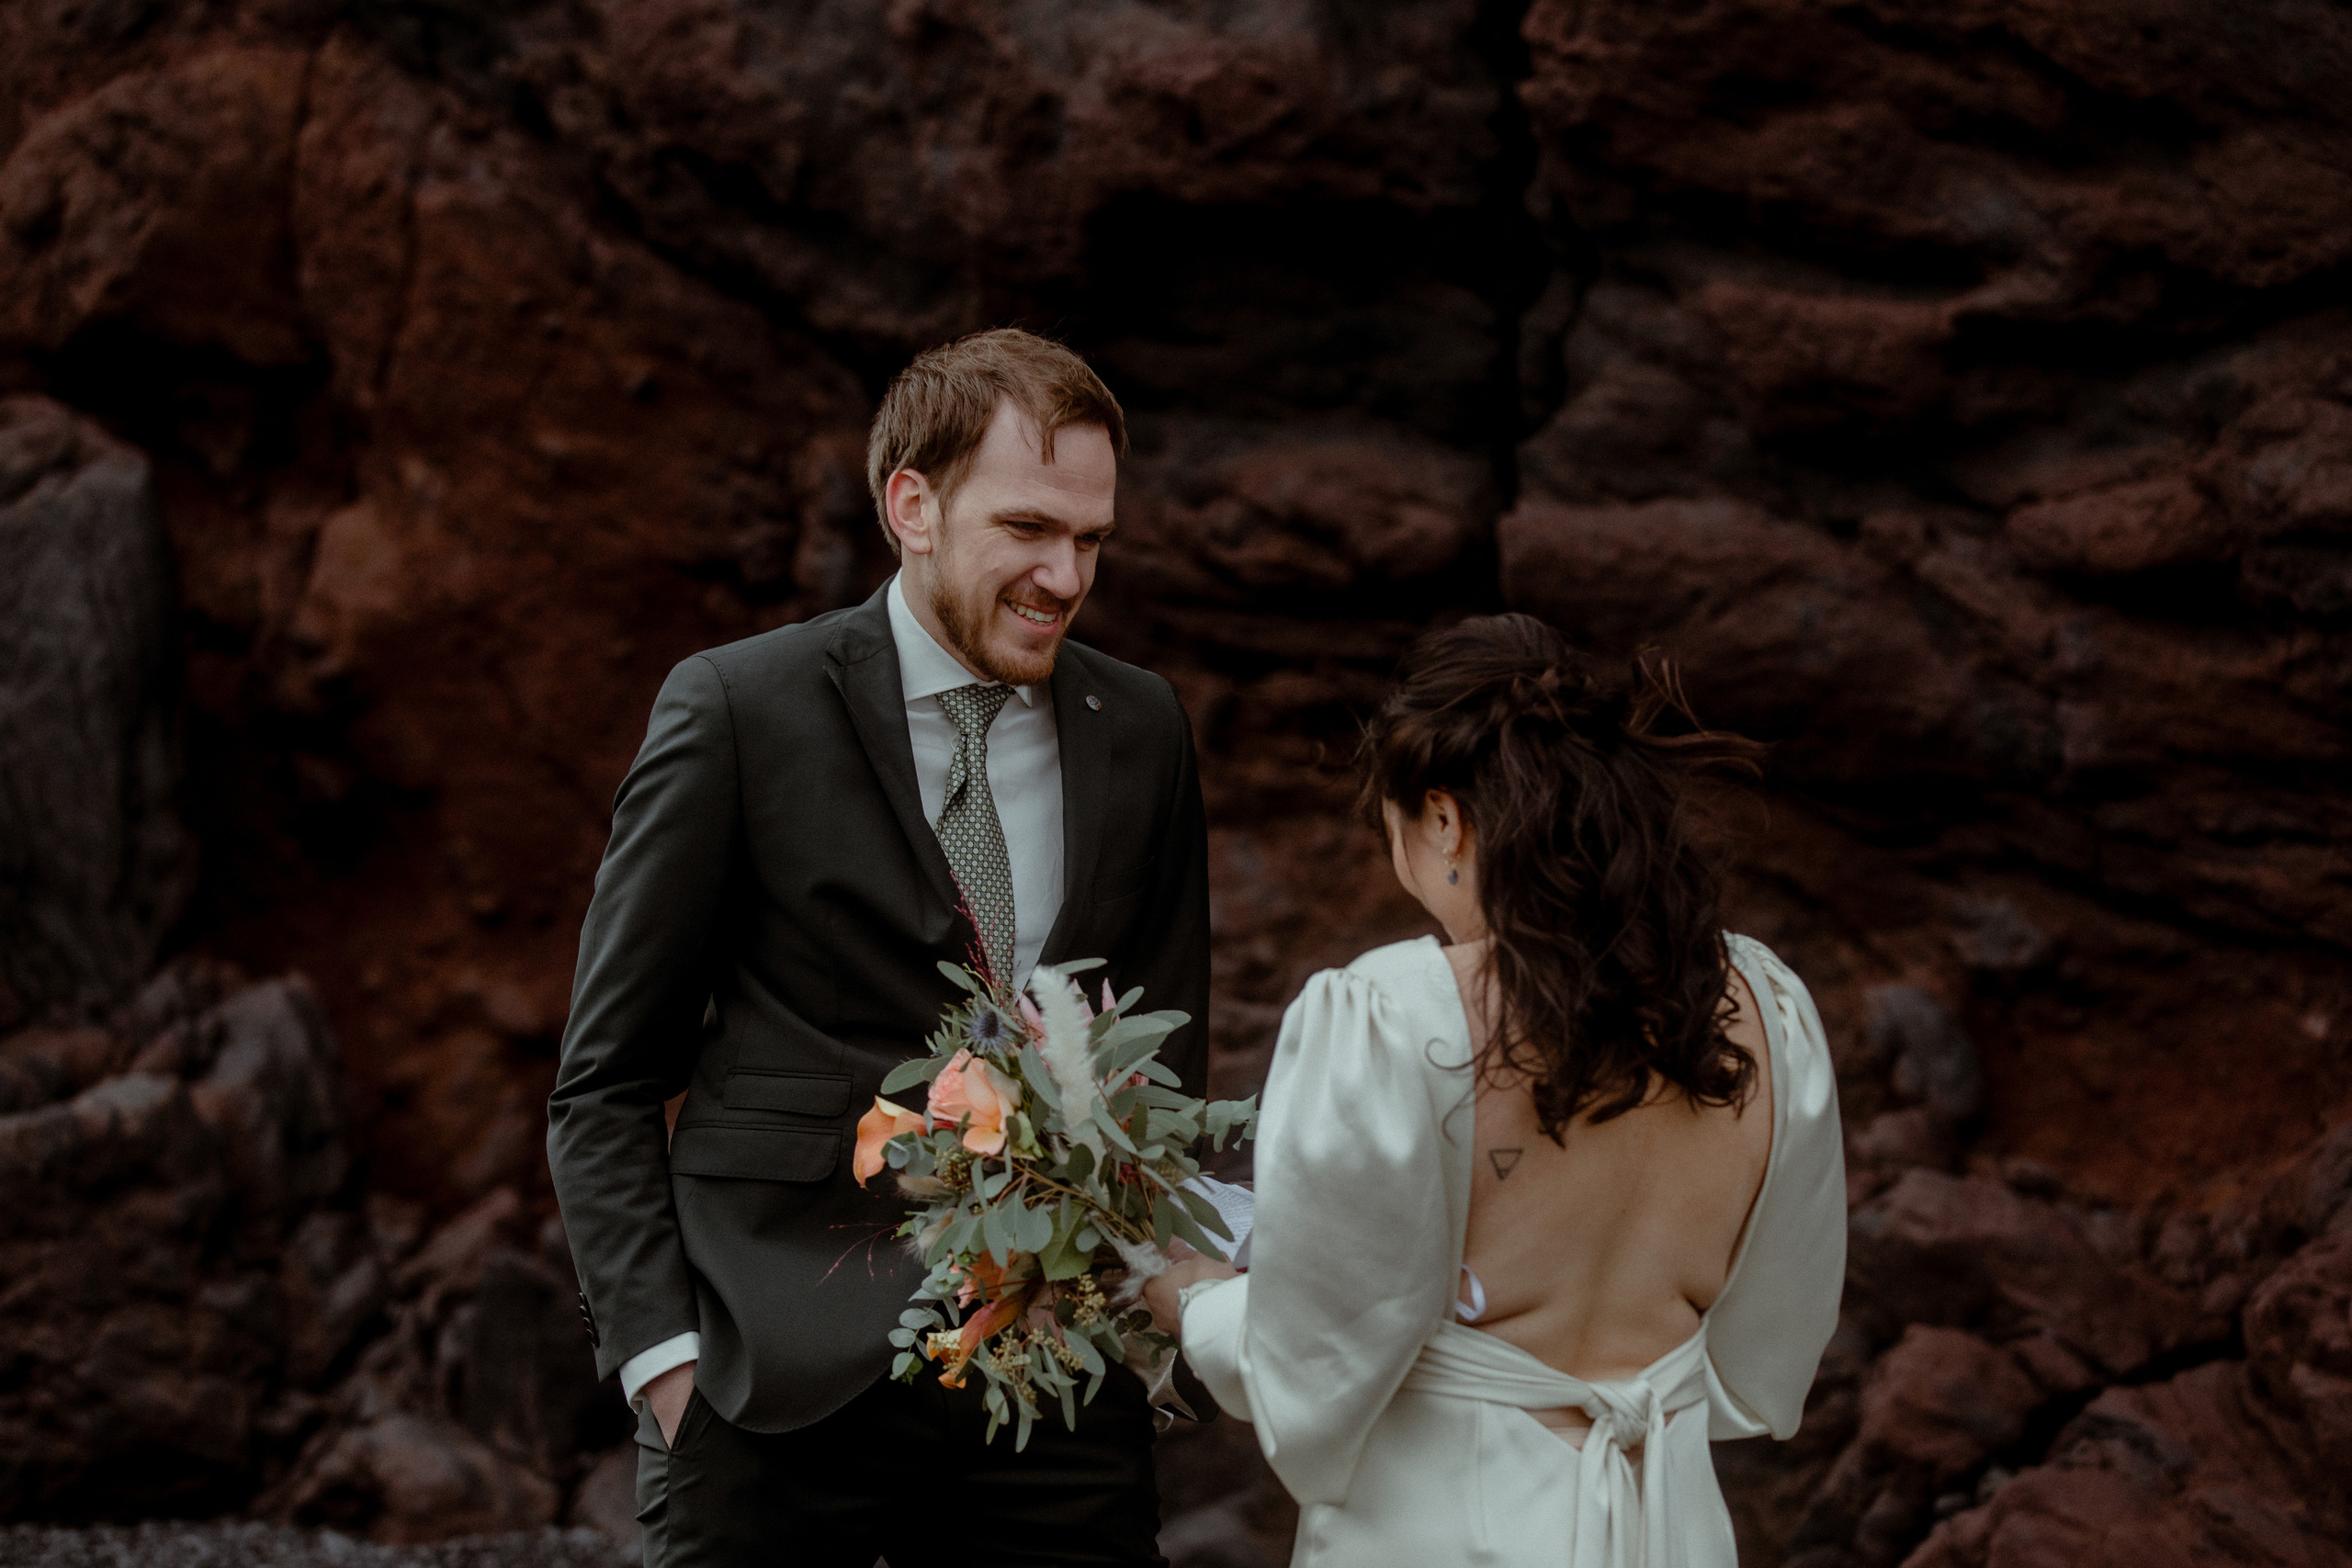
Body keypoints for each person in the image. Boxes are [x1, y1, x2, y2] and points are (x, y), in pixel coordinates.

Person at [548, 329, 1212, 1567]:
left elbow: (1161, 1065)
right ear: (912, 503)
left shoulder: (1145, 727)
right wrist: (666, 1366)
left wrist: (1145, 1326)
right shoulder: (738, 708)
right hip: (765, 1386)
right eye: (1027, 528)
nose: (1065, 575)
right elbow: (604, 1079)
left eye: (1092, 539)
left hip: (1056, 1390)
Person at [1145, 614, 1846, 1567]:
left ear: (1441, 816)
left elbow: (1310, 1364)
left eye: (1392, 825)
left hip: (1446, 1532)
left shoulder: (1385, 1015)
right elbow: (1772, 1348)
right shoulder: (1767, 1007)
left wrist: (1190, 1296)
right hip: (1669, 1523)